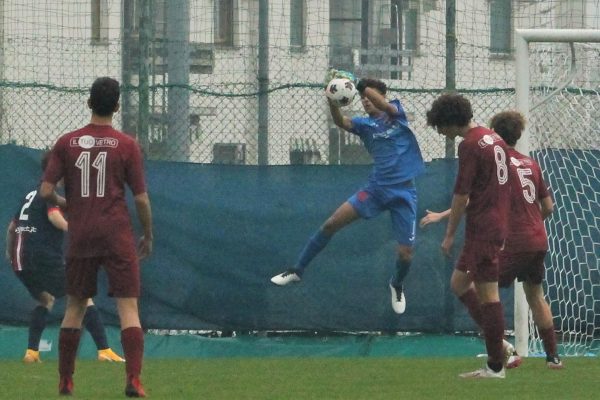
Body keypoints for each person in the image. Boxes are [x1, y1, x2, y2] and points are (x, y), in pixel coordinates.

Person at [420, 110, 563, 369]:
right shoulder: (531, 164)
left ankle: (499, 351)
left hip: (509, 240)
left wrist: (444, 217)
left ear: (496, 132)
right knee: (535, 295)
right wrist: (532, 223)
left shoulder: (494, 158)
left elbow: (475, 196)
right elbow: (549, 207)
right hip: (538, 239)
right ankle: (553, 357)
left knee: (477, 290)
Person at [271, 76, 425, 314]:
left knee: (405, 254)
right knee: (331, 224)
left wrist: (361, 85)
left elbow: (382, 104)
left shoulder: (396, 113)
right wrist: (332, 99)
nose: (366, 101)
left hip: (404, 192)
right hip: (375, 189)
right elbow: (340, 121)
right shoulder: (365, 125)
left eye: (370, 97)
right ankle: (296, 270)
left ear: (382, 95)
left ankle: (396, 284)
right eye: (362, 99)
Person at [40, 77, 153, 397]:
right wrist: (147, 232)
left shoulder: (66, 143)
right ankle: (132, 379)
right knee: (128, 308)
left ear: (89, 103)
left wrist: (66, 204)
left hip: (82, 235)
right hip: (116, 234)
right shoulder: (127, 145)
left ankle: (65, 380)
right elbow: (141, 199)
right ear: (117, 106)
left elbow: (46, 190)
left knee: (74, 306)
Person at [5, 152, 125, 364]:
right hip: (42, 257)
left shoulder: (29, 195)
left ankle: (31, 353)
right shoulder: (48, 193)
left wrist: (9, 252)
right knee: (83, 296)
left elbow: (12, 227)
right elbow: (53, 216)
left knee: (46, 299)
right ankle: (104, 350)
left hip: (19, 259)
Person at [425, 93, 510, 378]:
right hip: (494, 221)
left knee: (489, 295)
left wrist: (449, 235)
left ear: (450, 121)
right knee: (459, 284)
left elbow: (462, 194)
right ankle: (498, 346)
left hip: (484, 228)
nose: (439, 131)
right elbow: (486, 188)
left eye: (439, 125)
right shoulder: (493, 138)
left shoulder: (470, 145)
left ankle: (496, 364)